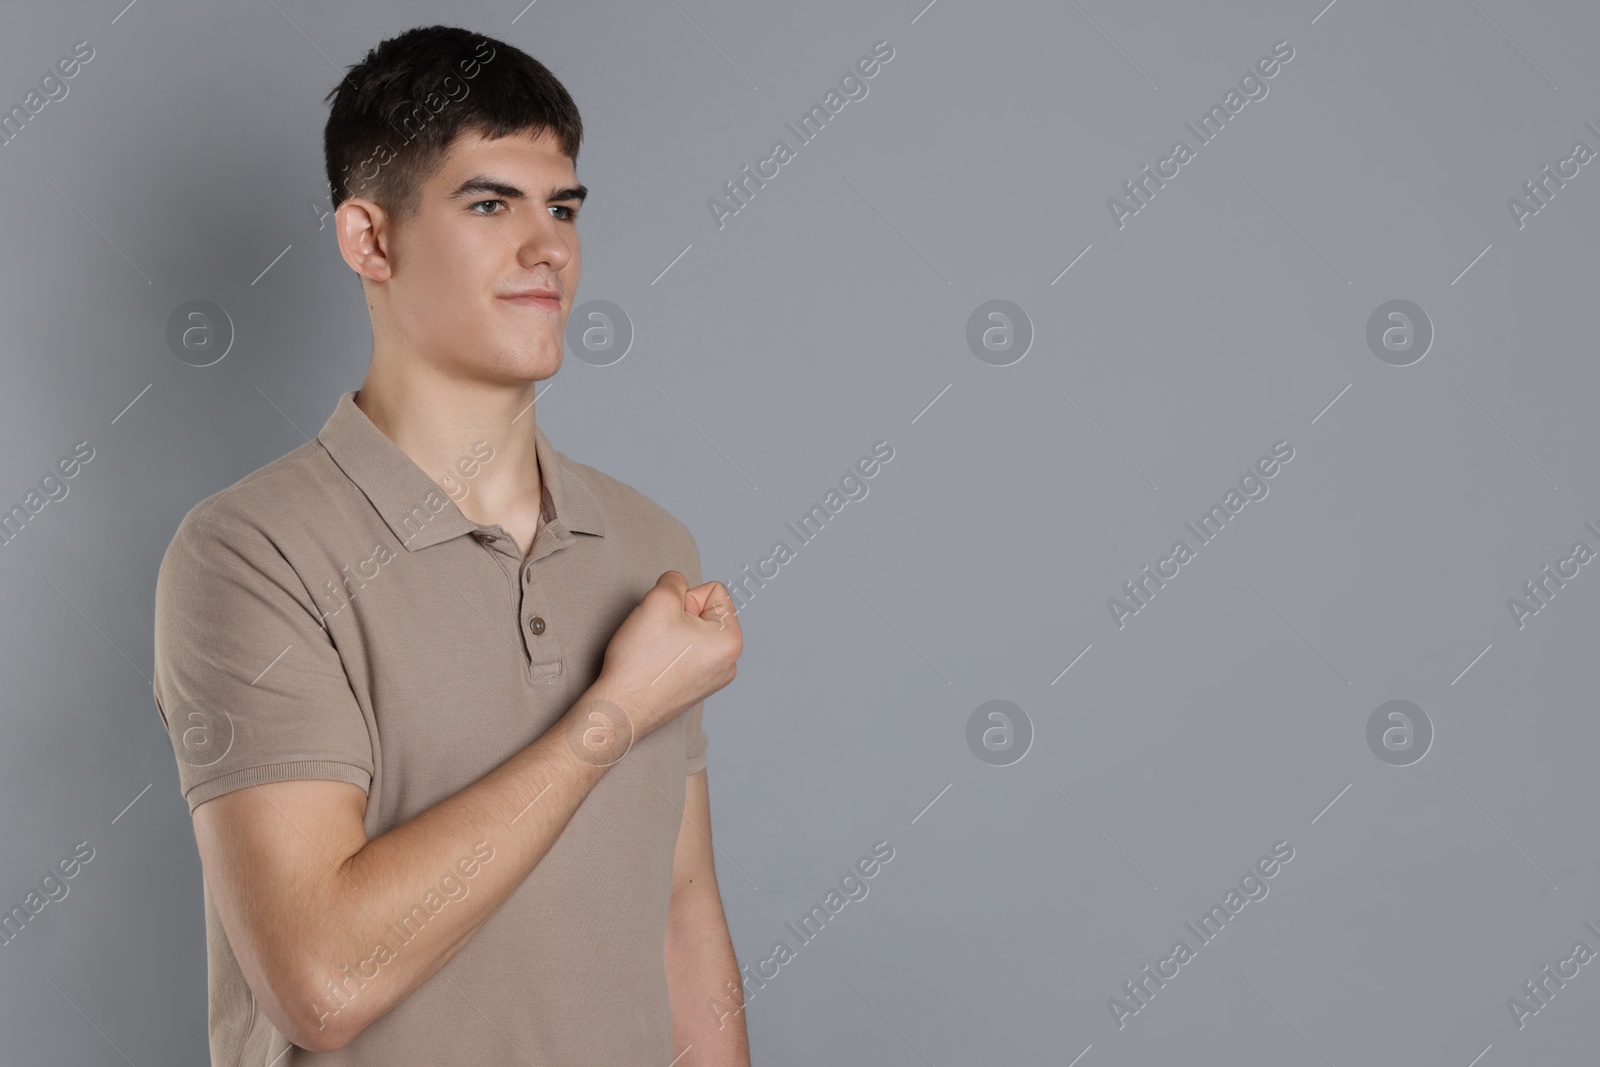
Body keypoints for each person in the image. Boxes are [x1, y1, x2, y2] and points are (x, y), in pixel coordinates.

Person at [151, 24, 747, 1065]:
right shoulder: (248, 555)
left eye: (561, 207)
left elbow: (682, 919)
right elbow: (323, 983)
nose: (548, 246)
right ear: (370, 241)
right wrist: (610, 712)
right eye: (489, 204)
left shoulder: (649, 544)